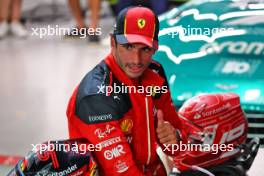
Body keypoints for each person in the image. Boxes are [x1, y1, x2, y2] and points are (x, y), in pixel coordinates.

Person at [67, 6, 183, 175]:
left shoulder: (155, 73)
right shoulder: (96, 97)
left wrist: (175, 137)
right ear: (113, 42)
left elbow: (181, 143)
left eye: (145, 49)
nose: (136, 60)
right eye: (128, 47)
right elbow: (122, 171)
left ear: (155, 48)